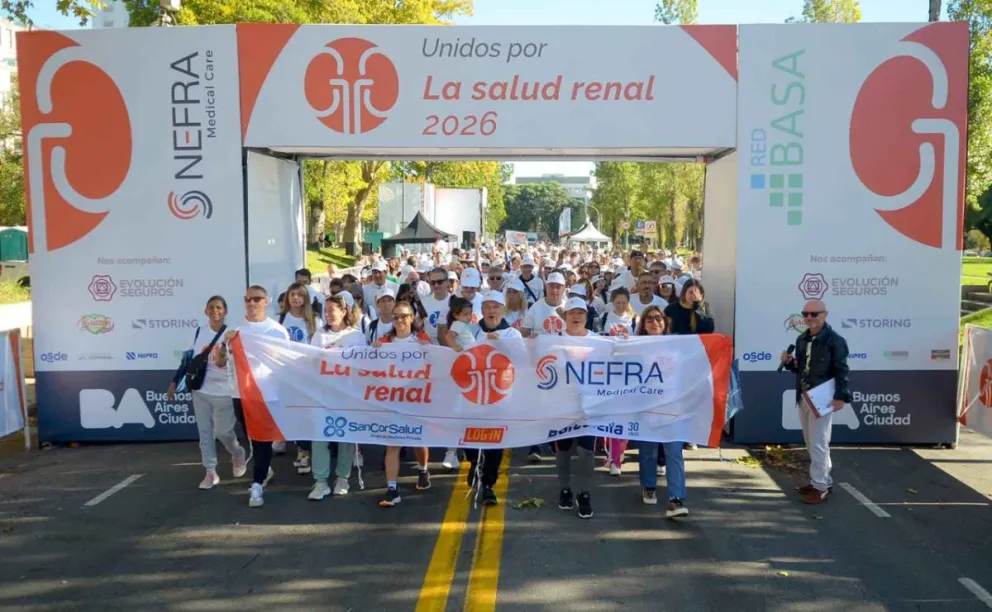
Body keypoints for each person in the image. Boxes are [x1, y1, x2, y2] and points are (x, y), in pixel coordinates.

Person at [167, 296, 246, 490]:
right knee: (204, 433)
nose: (215, 311)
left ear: (225, 311)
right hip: (201, 391)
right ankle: (210, 471)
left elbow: (234, 362)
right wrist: (174, 382)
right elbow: (187, 361)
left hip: (226, 391)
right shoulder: (198, 333)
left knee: (223, 432)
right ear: (205, 311)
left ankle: (237, 453)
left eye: (219, 307)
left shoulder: (232, 334)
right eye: (211, 307)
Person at [224, 285, 291, 508]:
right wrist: (226, 345)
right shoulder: (235, 330)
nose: (251, 303)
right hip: (240, 394)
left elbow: (286, 363)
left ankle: (257, 485)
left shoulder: (276, 330)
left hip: (267, 394)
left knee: (262, 441)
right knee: (252, 438)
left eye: (256, 299)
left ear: (266, 302)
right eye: (248, 299)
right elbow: (220, 361)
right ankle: (265, 469)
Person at [780, 299, 852, 505]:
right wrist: (789, 362)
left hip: (823, 397)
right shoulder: (802, 339)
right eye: (805, 314)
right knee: (812, 443)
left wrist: (840, 396)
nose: (809, 318)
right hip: (804, 396)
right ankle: (822, 481)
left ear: (825, 315)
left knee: (819, 442)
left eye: (814, 314)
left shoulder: (835, 340)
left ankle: (820, 488)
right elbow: (800, 368)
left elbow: (842, 370)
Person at [460, 291, 522, 506]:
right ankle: (474, 464)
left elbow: (522, 359)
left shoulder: (512, 334)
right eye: (487, 306)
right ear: (482, 309)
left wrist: (501, 345)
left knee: (494, 442)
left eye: (496, 306)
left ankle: (488, 483)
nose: (492, 311)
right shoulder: (472, 331)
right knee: (471, 438)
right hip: (473, 396)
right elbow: (458, 355)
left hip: (500, 397)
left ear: (503, 309)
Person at [373, 300, 433, 508]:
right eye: (396, 316)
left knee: (417, 438)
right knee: (393, 443)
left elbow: (434, 364)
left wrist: (429, 351)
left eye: (403, 316)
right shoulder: (384, 341)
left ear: (412, 318)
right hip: (393, 398)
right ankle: (392, 488)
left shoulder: (422, 340)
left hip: (416, 398)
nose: (399, 320)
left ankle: (423, 468)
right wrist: (373, 351)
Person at [631, 305, 689, 517]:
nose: (655, 322)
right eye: (649, 319)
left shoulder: (677, 345)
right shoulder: (635, 347)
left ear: (665, 322)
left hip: (673, 405)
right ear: (643, 325)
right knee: (649, 450)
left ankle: (676, 498)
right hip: (647, 406)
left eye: (658, 318)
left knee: (674, 452)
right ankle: (649, 485)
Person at [308, 295, 365, 500]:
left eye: (332, 309)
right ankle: (321, 481)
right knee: (320, 438)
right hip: (323, 394)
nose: (328, 314)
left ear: (343, 311)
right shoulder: (318, 336)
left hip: (347, 394)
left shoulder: (356, 336)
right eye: (326, 310)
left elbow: (362, 366)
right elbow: (311, 362)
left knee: (345, 437)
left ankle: (343, 477)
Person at [554, 296, 598, 519]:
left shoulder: (599, 341)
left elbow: (619, 359)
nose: (576, 316)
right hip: (562, 404)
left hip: (589, 406)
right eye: (572, 313)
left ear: (586, 316)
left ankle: (584, 493)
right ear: (565, 316)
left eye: (581, 313)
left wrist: (626, 342)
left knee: (586, 451)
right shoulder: (552, 341)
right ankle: (565, 489)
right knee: (562, 450)